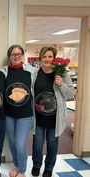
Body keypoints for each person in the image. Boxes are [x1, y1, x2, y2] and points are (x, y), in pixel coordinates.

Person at [31, 46, 74, 177]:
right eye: (44, 56)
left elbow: (70, 94)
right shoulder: (35, 74)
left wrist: (61, 84)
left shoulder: (62, 74)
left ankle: (49, 167)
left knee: (52, 143)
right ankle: (36, 165)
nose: (47, 59)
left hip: (55, 118)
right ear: (40, 58)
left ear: (54, 59)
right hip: (38, 117)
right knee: (37, 144)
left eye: (50, 56)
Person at [1, 44, 36, 177]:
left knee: (20, 143)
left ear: (22, 55)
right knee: (12, 142)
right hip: (8, 114)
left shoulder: (31, 71)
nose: (16, 56)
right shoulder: (4, 72)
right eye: (13, 54)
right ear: (9, 56)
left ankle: (22, 171)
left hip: (25, 114)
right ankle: (16, 165)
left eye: (18, 54)